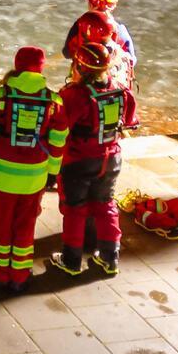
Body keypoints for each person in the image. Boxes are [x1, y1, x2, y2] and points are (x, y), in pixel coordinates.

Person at [0, 47, 69, 291]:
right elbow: (58, 142)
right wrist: (53, 172)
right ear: (41, 68)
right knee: (26, 224)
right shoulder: (54, 101)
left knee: (1, 222)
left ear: (16, 65)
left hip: (1, 175)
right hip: (35, 176)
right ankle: (20, 274)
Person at [50, 41, 137, 276]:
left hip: (78, 160)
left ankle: (71, 260)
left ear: (79, 66)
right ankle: (110, 258)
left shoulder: (73, 95)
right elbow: (130, 122)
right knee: (106, 205)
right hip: (111, 159)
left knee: (75, 209)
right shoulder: (122, 90)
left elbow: (58, 127)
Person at [63, 0, 137, 87]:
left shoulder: (80, 25)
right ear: (113, 7)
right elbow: (131, 60)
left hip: (84, 86)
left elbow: (67, 53)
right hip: (116, 87)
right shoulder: (121, 30)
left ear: (91, 4)